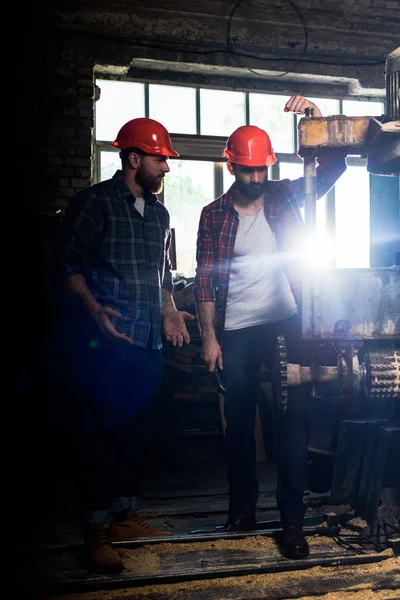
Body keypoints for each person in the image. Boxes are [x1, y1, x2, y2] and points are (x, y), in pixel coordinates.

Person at [194, 96, 347, 559]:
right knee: (238, 423)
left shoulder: (283, 195)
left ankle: (293, 522)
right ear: (232, 167)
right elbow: (205, 278)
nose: (256, 180)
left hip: (288, 320)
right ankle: (242, 511)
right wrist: (209, 336)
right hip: (237, 330)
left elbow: (333, 167)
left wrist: (315, 120)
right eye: (248, 172)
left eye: (262, 171)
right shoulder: (213, 215)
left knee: (292, 421)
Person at [51, 117, 195, 574]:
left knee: (136, 432)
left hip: (148, 342)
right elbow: (66, 264)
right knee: (102, 436)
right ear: (134, 159)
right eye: (160, 160)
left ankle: (124, 517)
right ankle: (94, 534)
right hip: (107, 342)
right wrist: (93, 309)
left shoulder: (159, 214)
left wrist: (170, 312)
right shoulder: (94, 203)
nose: (166, 169)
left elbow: (162, 277)